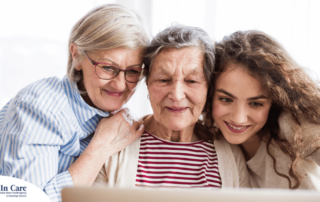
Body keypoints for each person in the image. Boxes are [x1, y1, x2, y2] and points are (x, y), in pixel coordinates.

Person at [0, 4, 149, 202]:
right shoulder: (39, 108)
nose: (120, 84)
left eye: (132, 71)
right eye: (107, 67)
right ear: (77, 55)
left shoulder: (114, 119)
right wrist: (100, 148)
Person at [94, 24, 250, 189]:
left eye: (191, 81)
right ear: (147, 84)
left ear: (208, 88)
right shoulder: (115, 145)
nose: (176, 95)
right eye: (163, 80)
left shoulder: (231, 154)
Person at [204, 30, 320, 190]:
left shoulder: (293, 124)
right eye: (226, 99)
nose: (238, 118)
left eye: (256, 104)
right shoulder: (212, 140)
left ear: (275, 100)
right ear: (209, 94)